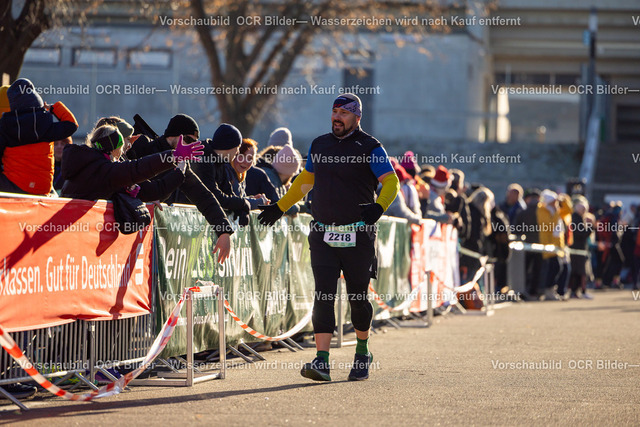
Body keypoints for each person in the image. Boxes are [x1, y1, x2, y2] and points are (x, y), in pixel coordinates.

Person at [258, 93, 399, 382]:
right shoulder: (319, 144)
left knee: (358, 298)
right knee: (323, 295)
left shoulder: (370, 147)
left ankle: (362, 352)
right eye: (334, 112)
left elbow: (391, 181)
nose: (337, 117)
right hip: (323, 233)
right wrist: (279, 207)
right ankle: (321, 360)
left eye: (343, 113)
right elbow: (305, 181)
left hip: (358, 234)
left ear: (357, 117)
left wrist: (379, 207)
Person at [127, 114, 234, 251]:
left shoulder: (182, 163)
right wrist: (142, 195)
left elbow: (202, 195)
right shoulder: (143, 147)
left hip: (155, 239)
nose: (190, 146)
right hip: (126, 230)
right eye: (188, 140)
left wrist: (224, 230)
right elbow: (121, 175)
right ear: (173, 135)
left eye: (194, 142)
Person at [0, 78, 78, 196]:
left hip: (13, 186)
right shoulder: (47, 126)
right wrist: (54, 107)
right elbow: (72, 125)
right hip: (43, 188)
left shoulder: (7, 126)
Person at [190, 123, 252, 225]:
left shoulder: (220, 163)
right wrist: (243, 203)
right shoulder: (204, 161)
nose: (237, 152)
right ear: (230, 146)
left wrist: (240, 209)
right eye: (237, 147)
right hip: (191, 221)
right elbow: (214, 196)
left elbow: (228, 192)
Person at [537, 190, 572, 301]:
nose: (555, 203)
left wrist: (564, 200)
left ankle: (554, 290)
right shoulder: (542, 210)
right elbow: (548, 224)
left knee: (559, 267)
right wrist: (556, 213)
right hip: (548, 243)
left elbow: (569, 210)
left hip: (558, 244)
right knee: (555, 267)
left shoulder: (556, 210)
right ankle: (548, 290)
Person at [226, 138, 273, 209]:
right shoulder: (226, 172)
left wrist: (253, 198)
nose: (245, 161)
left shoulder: (242, 175)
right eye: (242, 156)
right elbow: (232, 202)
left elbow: (241, 199)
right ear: (234, 154)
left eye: (250, 158)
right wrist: (259, 202)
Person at [514, 188, 542, 299]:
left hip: (525, 245)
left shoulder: (522, 213)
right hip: (540, 245)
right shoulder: (542, 213)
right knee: (537, 270)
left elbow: (516, 229)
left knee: (524, 269)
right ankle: (534, 291)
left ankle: (522, 290)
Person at [569, 196, 595, 299]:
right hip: (577, 249)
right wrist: (590, 227)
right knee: (580, 272)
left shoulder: (577, 218)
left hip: (578, 248)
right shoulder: (576, 218)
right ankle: (578, 291)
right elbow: (581, 234)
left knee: (578, 272)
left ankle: (576, 291)